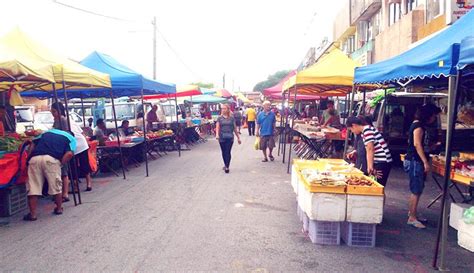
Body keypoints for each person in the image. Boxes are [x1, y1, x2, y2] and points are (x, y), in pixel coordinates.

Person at [23, 129, 76, 221]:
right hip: (52, 160)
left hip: (35, 159)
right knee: (56, 186)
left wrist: (28, 159)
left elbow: (32, 144)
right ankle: (59, 209)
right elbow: (69, 154)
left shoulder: (47, 132)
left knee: (33, 187)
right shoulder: (71, 139)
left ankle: (33, 214)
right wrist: (61, 163)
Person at [404, 104, 441, 229]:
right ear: (428, 115)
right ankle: (412, 218)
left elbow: (420, 145)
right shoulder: (418, 127)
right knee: (416, 189)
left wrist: (432, 147)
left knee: (417, 189)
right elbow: (417, 144)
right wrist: (425, 162)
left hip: (416, 160)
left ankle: (412, 212)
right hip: (415, 161)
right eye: (434, 116)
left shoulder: (418, 125)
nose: (434, 119)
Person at [346, 116, 392, 186]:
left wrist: (370, 167)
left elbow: (370, 149)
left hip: (382, 161)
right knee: (376, 186)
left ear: (354, 125)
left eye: (351, 129)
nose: (352, 132)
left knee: (377, 187)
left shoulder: (367, 130)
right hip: (379, 161)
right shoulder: (365, 131)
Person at [51, 102, 72, 202]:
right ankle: (60, 193)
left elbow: (66, 133)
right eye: (52, 111)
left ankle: (65, 193)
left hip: (63, 148)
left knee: (64, 171)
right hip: (57, 147)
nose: (53, 113)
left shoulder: (63, 120)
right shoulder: (56, 120)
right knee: (59, 171)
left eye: (54, 111)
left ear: (59, 111)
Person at [215, 104, 241, 173]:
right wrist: (217, 134)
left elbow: (235, 128)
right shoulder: (219, 118)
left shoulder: (232, 118)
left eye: (224, 108)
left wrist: (238, 137)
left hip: (230, 137)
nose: (223, 110)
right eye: (222, 109)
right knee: (223, 152)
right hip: (221, 137)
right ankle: (225, 164)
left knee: (228, 151)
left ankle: (227, 166)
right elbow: (217, 127)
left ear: (228, 109)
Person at [70, 122, 93, 192]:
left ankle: (76, 186)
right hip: (81, 144)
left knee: (73, 166)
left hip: (74, 145)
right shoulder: (72, 122)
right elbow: (82, 133)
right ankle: (88, 184)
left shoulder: (61, 123)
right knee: (84, 164)